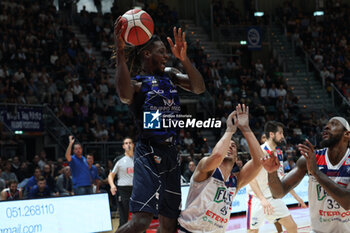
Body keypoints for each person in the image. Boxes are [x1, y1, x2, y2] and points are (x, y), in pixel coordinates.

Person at [114, 14, 205, 233]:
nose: (166, 55)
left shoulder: (171, 75)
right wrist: (120, 52)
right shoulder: (138, 84)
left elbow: (199, 88)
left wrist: (184, 59)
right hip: (148, 153)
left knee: (169, 225)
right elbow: (124, 95)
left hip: (172, 155)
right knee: (141, 222)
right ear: (147, 53)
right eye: (161, 51)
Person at [178, 104, 280, 232]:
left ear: (237, 158)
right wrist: (230, 130)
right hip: (190, 230)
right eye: (227, 144)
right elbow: (217, 155)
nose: (230, 146)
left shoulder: (235, 181)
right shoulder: (205, 167)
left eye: (234, 146)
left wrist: (245, 128)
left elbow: (259, 162)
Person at [267, 117, 350, 233]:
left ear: (347, 134)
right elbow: (278, 193)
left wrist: (316, 172)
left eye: (334, 124)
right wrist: (272, 173)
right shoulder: (309, 159)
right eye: (326, 124)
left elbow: (347, 202)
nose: (326, 127)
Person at [246, 121, 306, 233]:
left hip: (273, 198)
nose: (283, 136)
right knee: (252, 231)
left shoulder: (278, 153)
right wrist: (262, 199)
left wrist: (297, 198)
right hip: (258, 199)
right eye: (281, 133)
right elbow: (251, 178)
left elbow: (282, 179)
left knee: (292, 227)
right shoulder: (261, 151)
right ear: (272, 134)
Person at [108, 137, 134, 229]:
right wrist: (112, 186)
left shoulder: (138, 159)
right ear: (123, 146)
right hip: (123, 190)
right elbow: (111, 175)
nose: (128, 145)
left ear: (133, 145)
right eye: (126, 143)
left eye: (130, 143)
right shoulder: (119, 160)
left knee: (139, 218)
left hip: (136, 190)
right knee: (124, 219)